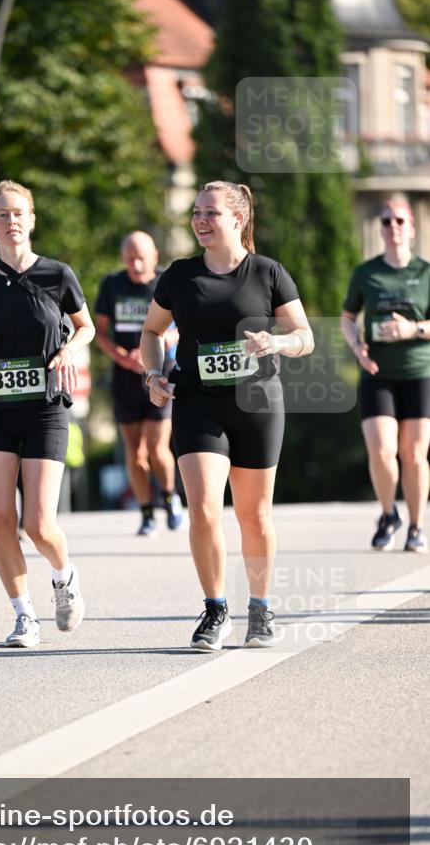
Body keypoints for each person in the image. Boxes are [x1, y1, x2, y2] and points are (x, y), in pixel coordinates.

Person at [141, 181, 314, 651]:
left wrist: (277, 342)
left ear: (237, 219)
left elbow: (304, 336)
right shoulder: (179, 276)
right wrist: (153, 374)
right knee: (202, 507)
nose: (199, 220)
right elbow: (152, 333)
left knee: (254, 515)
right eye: (196, 212)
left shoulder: (267, 273)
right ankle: (216, 609)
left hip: (257, 404)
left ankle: (260, 608)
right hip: (197, 402)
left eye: (210, 213)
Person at [0, 180, 95, 648]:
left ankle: (64, 577)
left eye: (19, 213)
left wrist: (69, 348)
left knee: (39, 525)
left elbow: (85, 328)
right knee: (0, 519)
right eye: (2, 215)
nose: (11, 222)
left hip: (46, 409)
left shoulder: (58, 275)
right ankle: (24, 615)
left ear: (32, 220)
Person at [341, 199, 430, 552]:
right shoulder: (366, 273)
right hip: (378, 373)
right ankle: (388, 512)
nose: (392, 226)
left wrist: (413, 330)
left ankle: (416, 525)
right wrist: (356, 346)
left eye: (399, 220)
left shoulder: (426, 272)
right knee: (381, 451)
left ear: (411, 228)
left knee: (415, 453)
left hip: (419, 372)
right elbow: (348, 317)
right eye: (386, 220)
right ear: (380, 229)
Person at [95, 231, 184, 536]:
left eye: (141, 257)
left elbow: (185, 324)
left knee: (158, 448)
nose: (135, 263)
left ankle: (170, 498)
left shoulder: (167, 281)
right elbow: (99, 332)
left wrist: (167, 338)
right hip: (125, 377)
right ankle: (146, 513)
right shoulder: (112, 284)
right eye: (129, 258)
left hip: (161, 372)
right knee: (134, 453)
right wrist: (122, 357)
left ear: (155, 256)